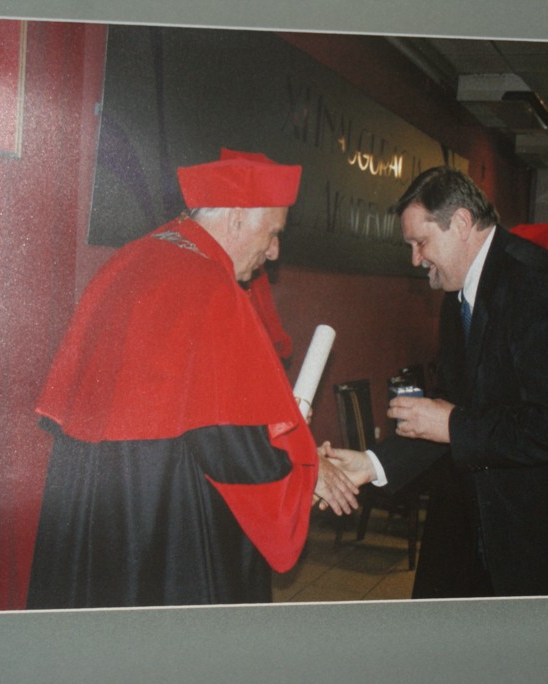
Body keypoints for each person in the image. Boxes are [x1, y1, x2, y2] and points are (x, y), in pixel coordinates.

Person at [25, 149, 359, 609]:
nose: (274, 251)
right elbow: (233, 446)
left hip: (93, 503)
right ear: (237, 217)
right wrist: (301, 474)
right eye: (274, 233)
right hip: (164, 519)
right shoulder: (209, 287)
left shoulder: (133, 256)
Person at [325, 166, 548, 598]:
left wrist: (454, 425)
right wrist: (373, 464)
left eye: (420, 243)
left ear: (461, 223)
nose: (415, 259)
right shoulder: (459, 294)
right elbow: (453, 411)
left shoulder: (540, 287)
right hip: (500, 517)